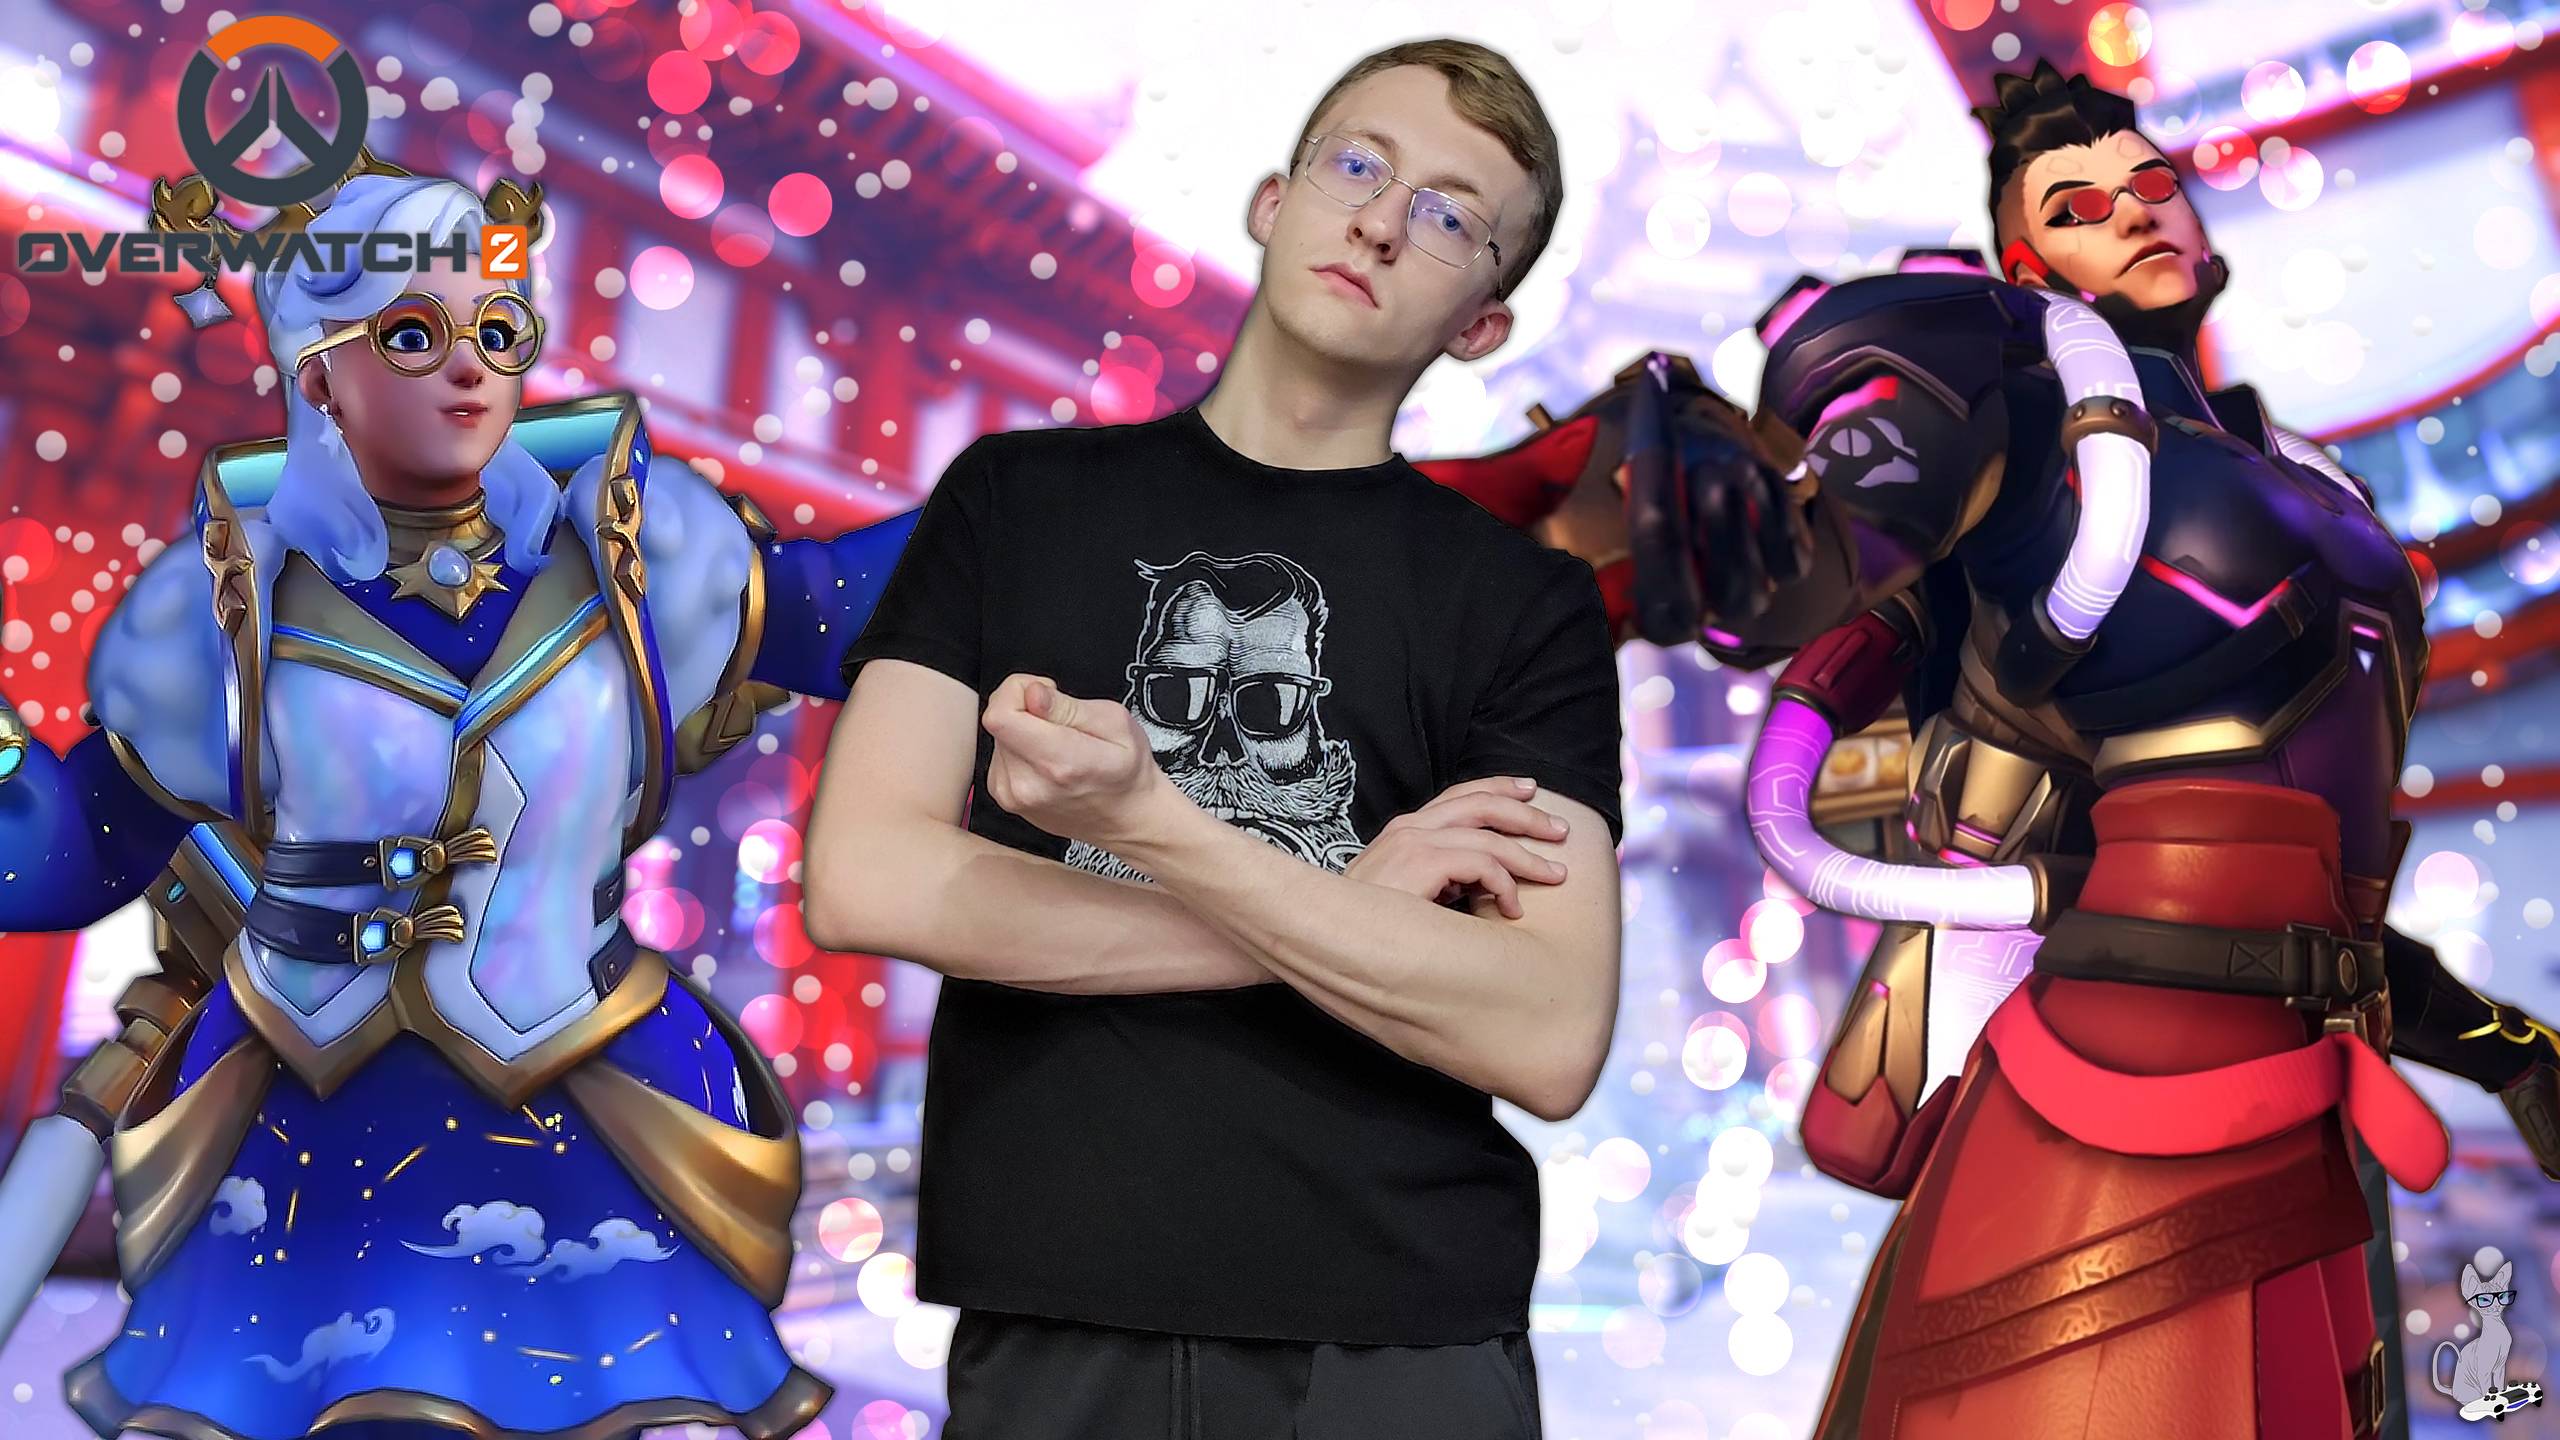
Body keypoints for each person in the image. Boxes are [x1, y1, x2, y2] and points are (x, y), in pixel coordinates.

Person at [1478, 60, 2560, 1439]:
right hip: (2117, 1127)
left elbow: (2306, 896)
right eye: (2078, 204)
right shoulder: (2007, 407)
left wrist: (2504, 1047)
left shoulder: (2314, 488)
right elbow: (1813, 547)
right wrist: (1673, 509)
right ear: (2022, 268)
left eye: (2150, 183)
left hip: (2304, 1121)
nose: (2136, 210)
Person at [0, 165, 919, 1439]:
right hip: (303, 1127)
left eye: (497, 327)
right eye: (411, 334)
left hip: (589, 1104)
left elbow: (862, 609)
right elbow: (66, 855)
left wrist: (1051, 521)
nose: (469, 366)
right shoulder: (221, 604)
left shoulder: (641, 553)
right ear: (318, 371)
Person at [802, 38, 1624, 1440]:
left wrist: (1150, 826)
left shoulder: (1524, 602)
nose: (1381, 221)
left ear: (1481, 324)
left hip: (1403, 1335)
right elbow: (865, 879)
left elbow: (1546, 1033)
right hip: (1058, 1317)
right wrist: (1349, 906)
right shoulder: (1014, 502)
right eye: (1358, 166)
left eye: (1448, 216)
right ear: (1273, 200)